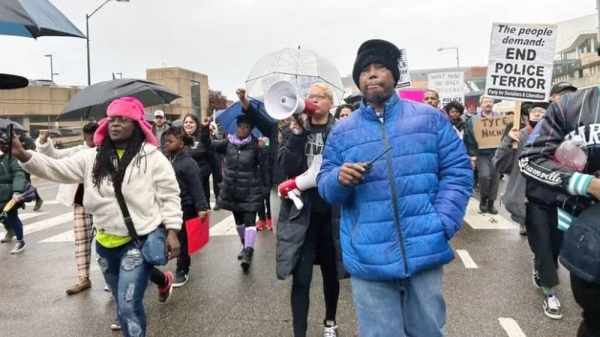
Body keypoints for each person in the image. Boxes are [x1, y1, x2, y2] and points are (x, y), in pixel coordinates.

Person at [317, 39, 472, 337]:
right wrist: (338, 179)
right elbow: (325, 187)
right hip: (368, 257)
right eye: (365, 70)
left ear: (394, 76)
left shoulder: (430, 119)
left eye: (380, 68)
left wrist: (442, 223)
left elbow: (458, 171)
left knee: (428, 331)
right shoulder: (342, 132)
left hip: (425, 251)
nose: (372, 75)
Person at [11, 97, 182, 337]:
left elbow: (170, 195)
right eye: (112, 119)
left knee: (128, 304)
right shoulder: (91, 157)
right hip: (104, 244)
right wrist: (22, 154)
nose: (115, 124)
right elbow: (56, 168)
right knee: (120, 304)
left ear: (137, 125)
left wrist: (172, 231)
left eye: (123, 119)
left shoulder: (152, 158)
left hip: (137, 241)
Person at [519, 88, 600, 336]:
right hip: (590, 238)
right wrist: (588, 184)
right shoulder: (571, 106)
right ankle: (548, 289)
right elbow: (530, 159)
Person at [275, 82, 347, 337]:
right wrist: (296, 134)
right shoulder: (294, 129)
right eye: (309, 96)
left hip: (331, 213)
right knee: (301, 277)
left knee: (330, 273)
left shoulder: (340, 130)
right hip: (300, 213)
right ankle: (299, 331)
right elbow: (286, 167)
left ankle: (330, 321)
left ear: (330, 102)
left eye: (319, 96)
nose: (313, 100)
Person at [35, 123, 100, 295]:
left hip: (103, 204)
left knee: (106, 241)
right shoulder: (76, 151)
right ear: (85, 137)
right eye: (90, 137)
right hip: (81, 204)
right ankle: (83, 278)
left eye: (97, 135)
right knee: (81, 241)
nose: (94, 140)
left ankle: (111, 277)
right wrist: (44, 140)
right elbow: (53, 155)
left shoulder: (107, 151)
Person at [204, 115, 267, 271]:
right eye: (240, 126)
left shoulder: (255, 144)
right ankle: (244, 244)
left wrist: (263, 150)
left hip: (251, 190)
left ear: (251, 129)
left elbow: (265, 166)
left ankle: (248, 251)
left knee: (250, 221)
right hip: (232, 190)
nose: (242, 128)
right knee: (239, 223)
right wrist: (204, 130)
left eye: (246, 126)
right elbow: (208, 146)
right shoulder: (228, 143)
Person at [164, 126, 209, 287]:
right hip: (167, 206)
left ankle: (182, 270)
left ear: (181, 143)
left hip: (186, 206)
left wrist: (202, 208)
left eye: (171, 141)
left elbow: (197, 187)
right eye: (166, 141)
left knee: (183, 240)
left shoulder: (189, 163)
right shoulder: (165, 159)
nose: (166, 144)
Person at [464, 95, 501, 214]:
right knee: (485, 176)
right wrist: (472, 154)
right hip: (481, 154)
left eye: (490, 101)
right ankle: (483, 199)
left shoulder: (500, 118)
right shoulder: (473, 120)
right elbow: (468, 137)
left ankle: (491, 203)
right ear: (481, 104)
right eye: (485, 102)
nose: (488, 103)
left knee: (495, 180)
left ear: (493, 103)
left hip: (497, 154)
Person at [183, 114, 219, 209]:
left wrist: (205, 127)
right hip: (185, 184)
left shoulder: (202, 138)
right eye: (186, 122)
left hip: (201, 182)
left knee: (200, 214)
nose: (188, 124)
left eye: (191, 122)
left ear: (196, 124)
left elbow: (207, 141)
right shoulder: (180, 138)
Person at [0, 130, 27, 254]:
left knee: (12, 217)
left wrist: (16, 191)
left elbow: (18, 173)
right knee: (5, 218)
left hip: (8, 194)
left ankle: (20, 240)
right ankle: (9, 230)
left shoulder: (10, 157)